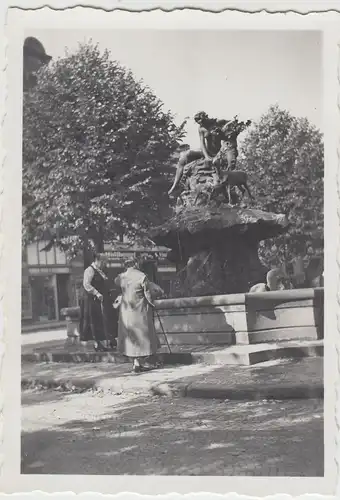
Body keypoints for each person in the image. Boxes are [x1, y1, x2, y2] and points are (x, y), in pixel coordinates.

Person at [114, 257, 161, 373]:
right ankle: (142, 362)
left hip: (126, 311)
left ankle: (136, 363)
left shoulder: (121, 277)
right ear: (135, 264)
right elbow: (148, 294)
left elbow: (116, 282)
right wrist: (153, 304)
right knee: (143, 335)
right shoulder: (142, 276)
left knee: (131, 336)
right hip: (140, 310)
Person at [168, 111, 223, 195]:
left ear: (204, 116)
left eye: (199, 119)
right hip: (206, 151)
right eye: (196, 121)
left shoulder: (216, 123)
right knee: (184, 157)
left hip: (216, 152)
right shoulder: (201, 128)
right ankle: (175, 185)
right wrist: (206, 156)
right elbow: (202, 143)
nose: (199, 122)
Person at [79, 253, 118, 351]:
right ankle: (97, 343)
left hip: (101, 299)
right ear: (98, 260)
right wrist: (96, 293)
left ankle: (107, 340)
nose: (104, 264)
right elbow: (86, 284)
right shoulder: (89, 270)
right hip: (91, 300)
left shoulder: (100, 271)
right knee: (94, 321)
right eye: (103, 262)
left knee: (103, 319)